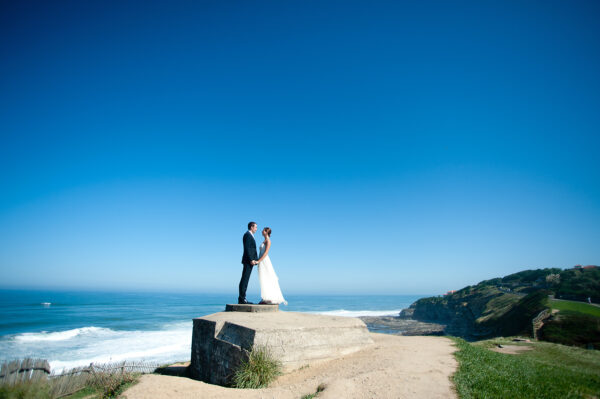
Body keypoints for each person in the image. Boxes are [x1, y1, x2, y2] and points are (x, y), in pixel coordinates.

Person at [256, 227, 287, 305]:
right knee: (262, 278)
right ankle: (265, 297)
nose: (261, 231)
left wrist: (259, 261)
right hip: (261, 261)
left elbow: (266, 253)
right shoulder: (265, 240)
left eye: (263, 230)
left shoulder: (268, 241)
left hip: (264, 261)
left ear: (266, 232)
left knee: (266, 278)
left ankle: (268, 298)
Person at [238, 222, 258, 304]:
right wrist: (251, 259)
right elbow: (247, 248)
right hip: (248, 261)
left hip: (249, 261)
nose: (256, 229)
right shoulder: (247, 235)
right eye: (256, 227)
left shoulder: (250, 235)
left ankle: (242, 298)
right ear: (251, 227)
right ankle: (242, 299)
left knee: (245, 279)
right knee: (245, 279)